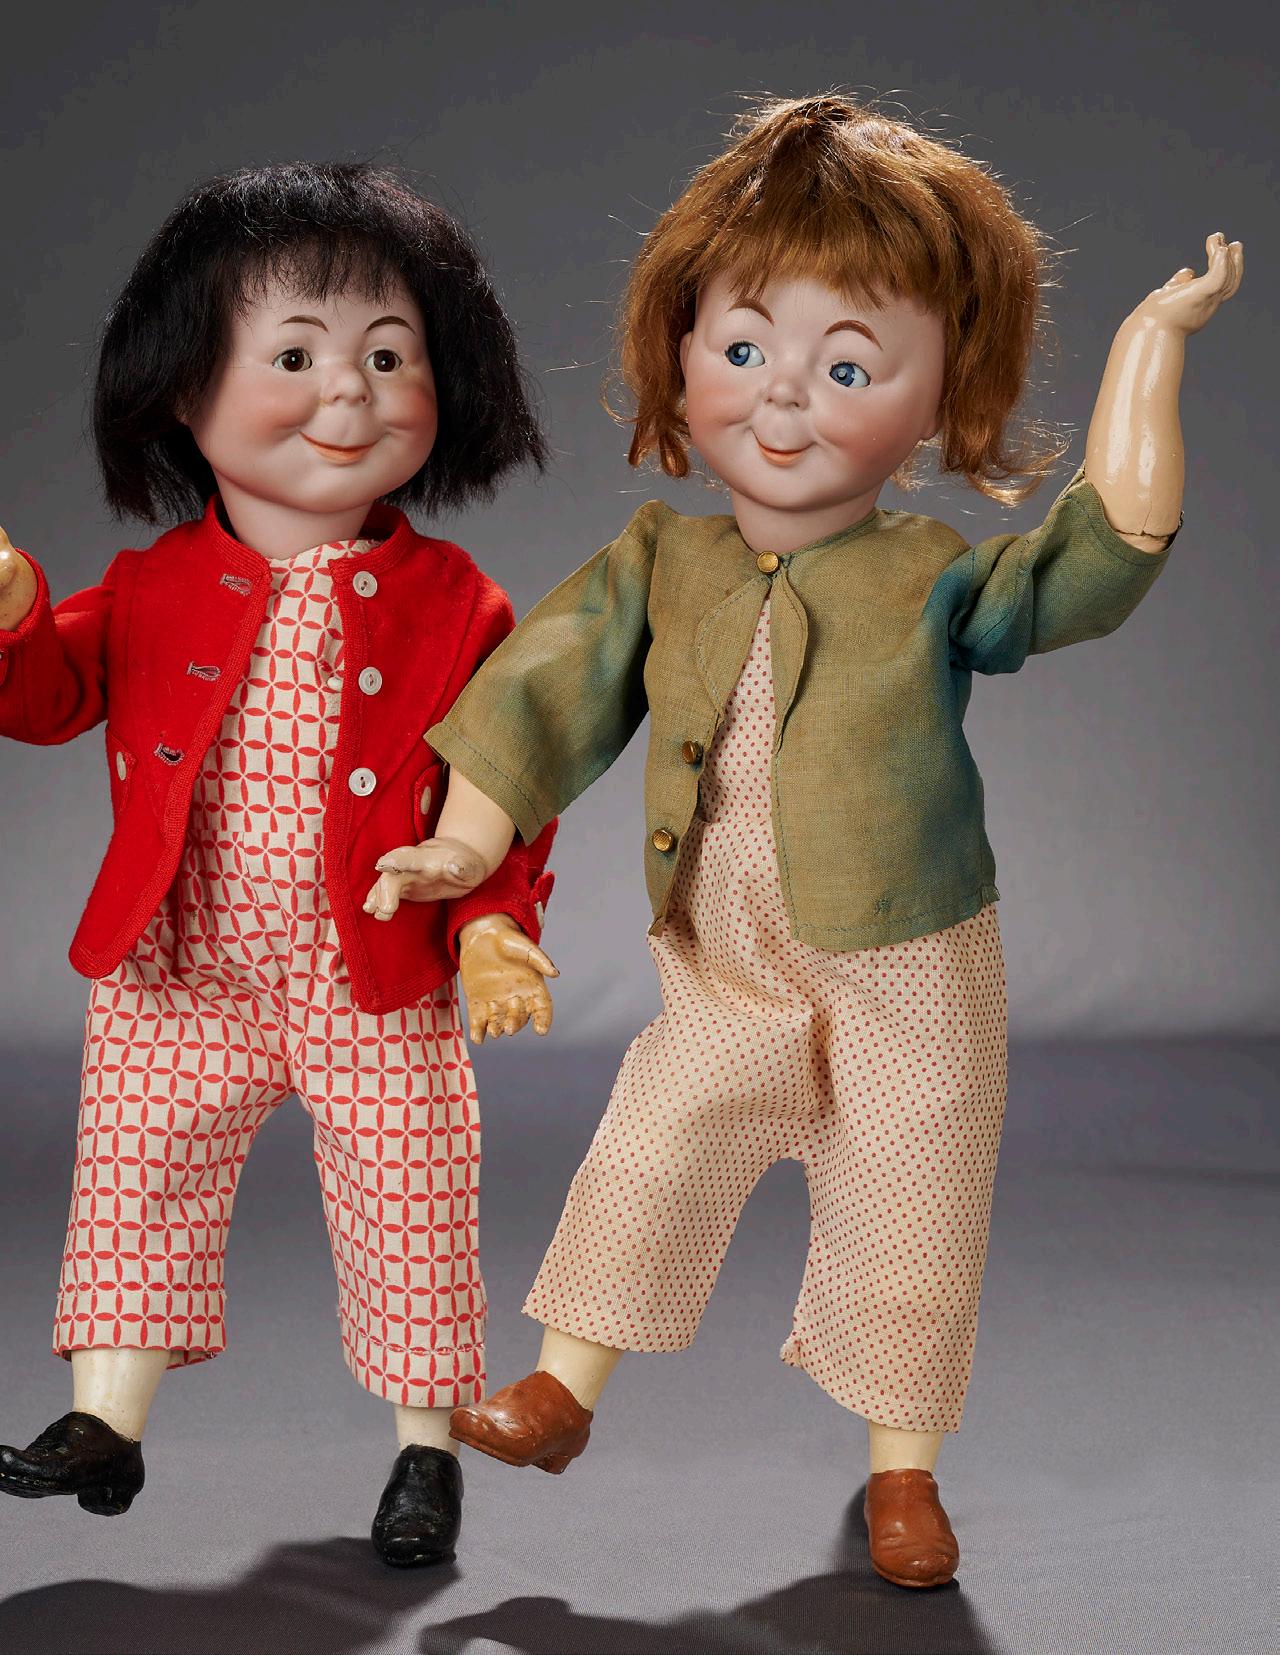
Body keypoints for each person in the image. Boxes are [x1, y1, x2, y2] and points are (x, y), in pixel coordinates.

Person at [361, 96, 1243, 1588]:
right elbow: (545, 690)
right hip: (724, 955)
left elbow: (1082, 575)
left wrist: (1150, 352)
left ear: (939, 397)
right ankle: (565, 1389)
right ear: (678, 351)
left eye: (849, 367)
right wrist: (467, 840)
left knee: (915, 1200)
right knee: (653, 1141)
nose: (784, 401)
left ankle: (905, 1470)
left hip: (914, 960)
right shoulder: (663, 559)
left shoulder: (929, 572)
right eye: (744, 348)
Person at [0, 161, 559, 1569]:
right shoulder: (152, 587)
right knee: (134, 1175)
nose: (349, 393)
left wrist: (493, 921)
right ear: (181, 392)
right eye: (294, 357)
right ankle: (105, 1418)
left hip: (377, 967)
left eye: (390, 355)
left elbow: (506, 782)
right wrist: (10, 620)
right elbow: (49, 698)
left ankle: (427, 1451)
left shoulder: (457, 602)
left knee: (413, 1197)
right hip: (179, 962)